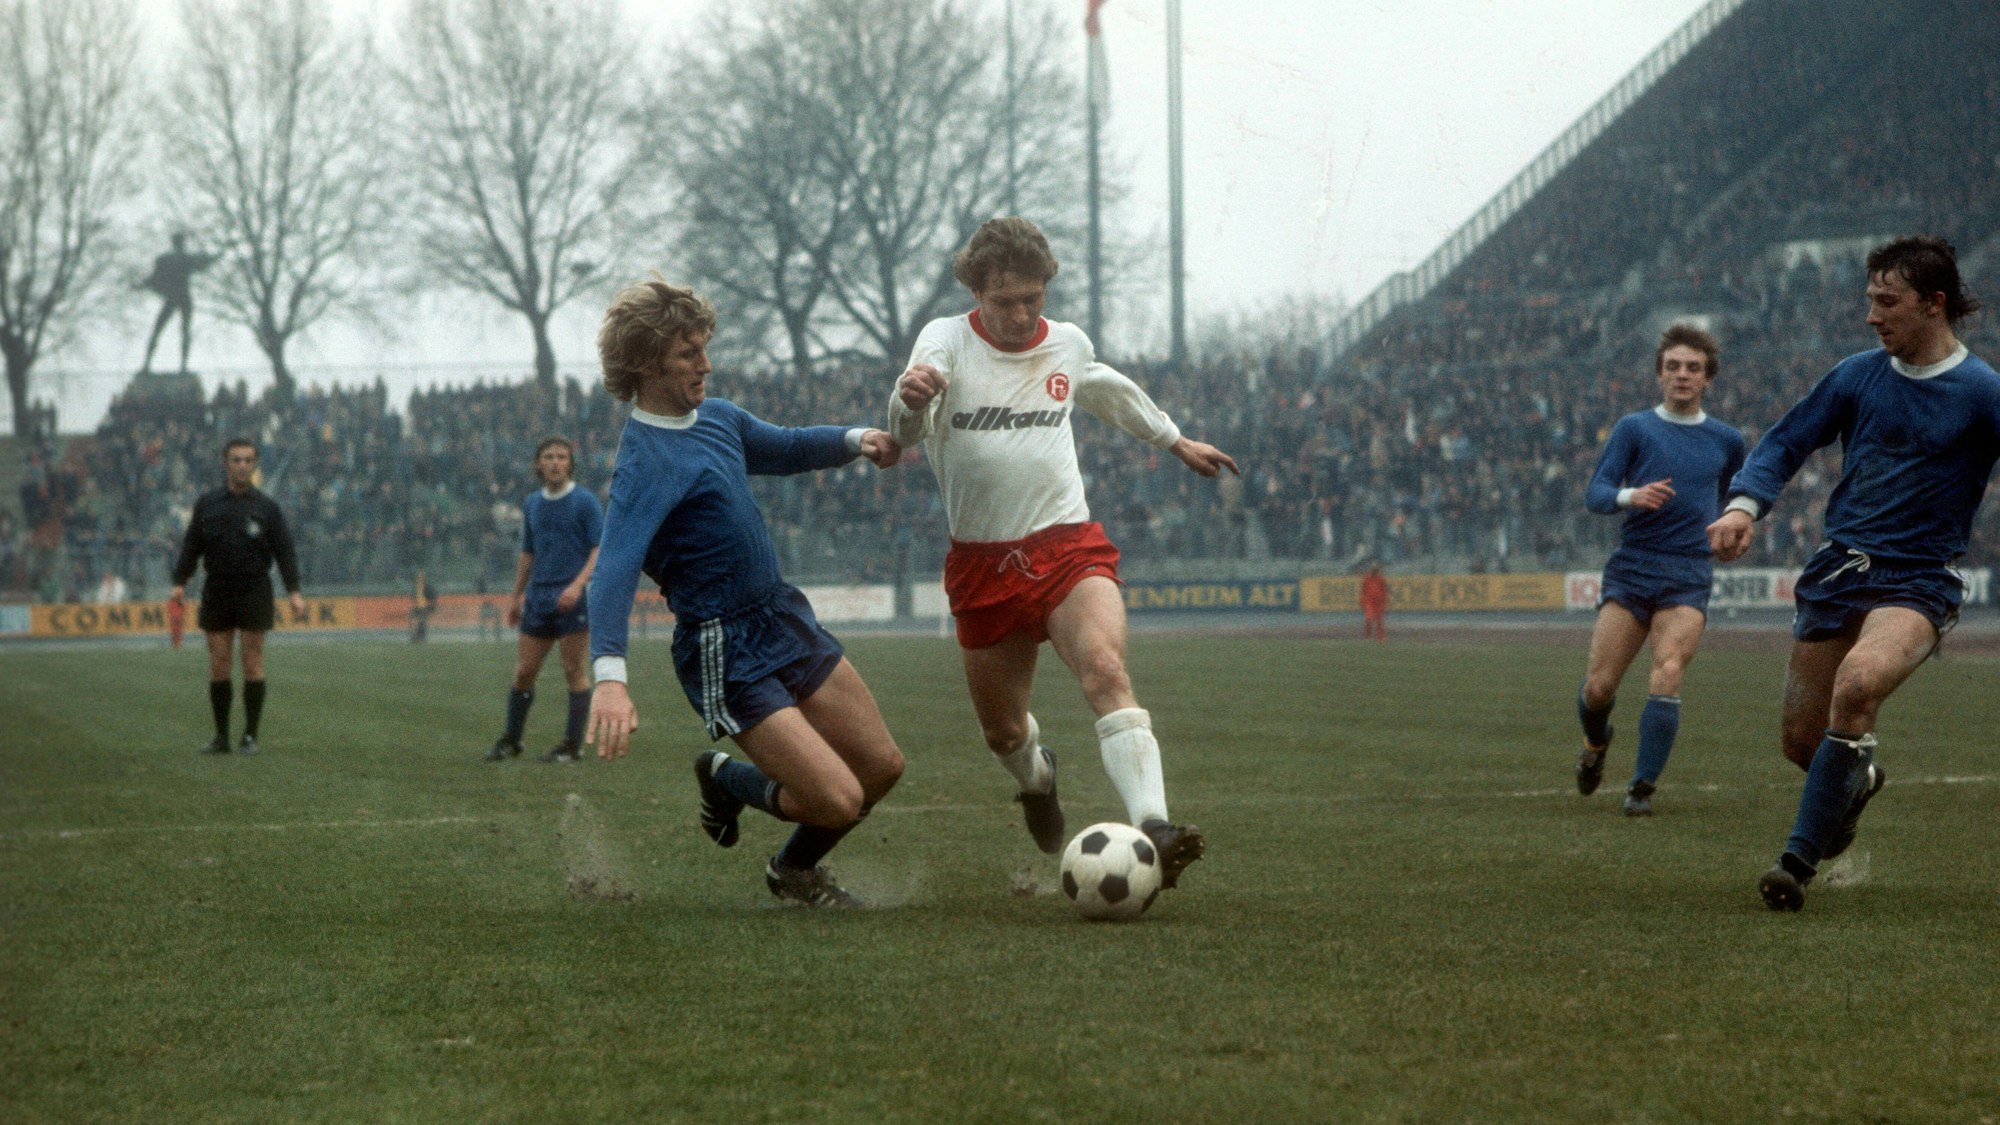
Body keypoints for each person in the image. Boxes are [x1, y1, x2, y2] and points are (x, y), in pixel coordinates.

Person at [886, 216, 1238, 888]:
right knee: (1003, 734)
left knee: (1104, 667)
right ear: (978, 293)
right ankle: (1038, 778)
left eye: (1033, 300)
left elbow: (1107, 389)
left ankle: (1155, 828)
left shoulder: (1067, 345)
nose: (1021, 314)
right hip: (983, 563)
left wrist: (1175, 441)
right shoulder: (946, 340)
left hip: (1066, 547)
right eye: (1005, 301)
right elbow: (907, 430)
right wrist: (907, 401)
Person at [584, 277, 906, 907]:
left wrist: (854, 440)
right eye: (687, 354)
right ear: (645, 364)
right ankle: (728, 779)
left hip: (781, 617)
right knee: (836, 799)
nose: (705, 363)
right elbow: (615, 570)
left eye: (704, 347)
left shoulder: (720, 418)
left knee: (882, 769)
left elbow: (784, 447)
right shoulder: (643, 462)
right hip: (722, 647)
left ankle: (793, 870)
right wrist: (610, 677)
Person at [1706, 236, 1998, 911]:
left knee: (1858, 683)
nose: (1872, 315)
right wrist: (1744, 506)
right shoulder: (1856, 375)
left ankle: (1794, 864)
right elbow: (1786, 440)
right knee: (1801, 743)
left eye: (1886, 302)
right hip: (1839, 569)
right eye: (1869, 300)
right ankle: (1856, 774)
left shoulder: (1983, 392)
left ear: (1935, 304)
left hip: (1918, 579)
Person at [1573, 325, 1746, 816]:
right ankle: (1595, 744)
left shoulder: (1727, 440)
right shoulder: (1634, 429)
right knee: (1599, 687)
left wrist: (1736, 528)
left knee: (1667, 673)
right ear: (1659, 375)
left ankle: (1641, 789)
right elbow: (1596, 492)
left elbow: (1739, 498)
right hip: (1633, 568)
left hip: (1689, 571)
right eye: (1673, 367)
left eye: (1693, 367)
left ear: (1708, 377)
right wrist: (1632, 496)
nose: (1682, 375)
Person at [170, 439, 306, 754]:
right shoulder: (208, 504)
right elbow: (192, 546)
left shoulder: (267, 508)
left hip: (255, 589)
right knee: (219, 664)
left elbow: (285, 552)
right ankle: (221, 737)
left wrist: (295, 591)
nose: (242, 465)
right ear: (225, 463)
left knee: (252, 662)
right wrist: (180, 581)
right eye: (236, 460)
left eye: (247, 460)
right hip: (217, 589)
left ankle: (250, 736)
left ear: (255, 464)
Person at [484, 437, 603, 763]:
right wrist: (516, 596)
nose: (554, 462)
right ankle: (511, 741)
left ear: (570, 464)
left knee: (573, 669)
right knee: (524, 671)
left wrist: (577, 586)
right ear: (539, 464)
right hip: (538, 597)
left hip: (571, 598)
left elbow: (598, 549)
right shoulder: (533, 503)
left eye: (561, 457)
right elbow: (528, 553)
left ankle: (571, 746)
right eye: (548, 457)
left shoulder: (585, 502)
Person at [137, 233, 218, 376]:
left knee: (158, 329)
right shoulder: (185, 258)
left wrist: (141, 284)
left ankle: (147, 365)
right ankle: (183, 367)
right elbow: (203, 264)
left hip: (172, 297)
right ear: (182, 242)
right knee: (183, 332)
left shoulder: (165, 259)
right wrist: (218, 255)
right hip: (183, 298)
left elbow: (153, 278)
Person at [1360, 563, 1390, 641]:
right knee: (1369, 618)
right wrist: (1363, 601)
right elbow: (1363, 590)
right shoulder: (1367, 578)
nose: (1374, 571)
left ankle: (1381, 637)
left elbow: (1385, 590)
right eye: (1373, 569)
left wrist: (1385, 601)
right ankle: (1368, 636)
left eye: (1376, 569)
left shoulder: (1381, 578)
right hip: (1369, 601)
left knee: (1379, 620)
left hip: (1379, 602)